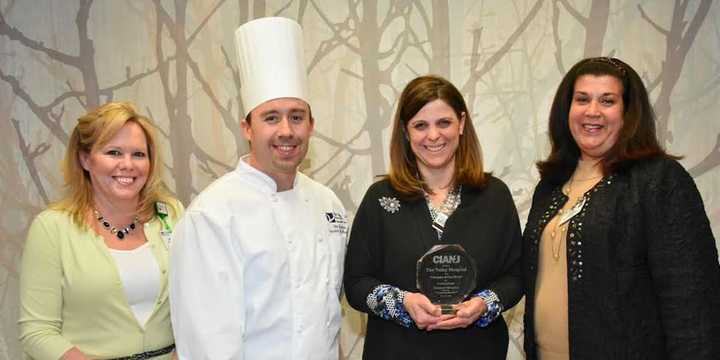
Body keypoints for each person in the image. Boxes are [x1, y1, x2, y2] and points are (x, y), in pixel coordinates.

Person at [169, 17, 348, 359]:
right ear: (247, 128)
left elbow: (327, 321)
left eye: (296, 117)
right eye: (271, 117)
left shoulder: (328, 203)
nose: (286, 130)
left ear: (311, 126)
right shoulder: (211, 216)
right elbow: (208, 344)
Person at [522, 56, 720, 360]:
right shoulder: (549, 186)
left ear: (628, 112)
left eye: (608, 100)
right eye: (582, 99)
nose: (593, 111)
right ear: (567, 110)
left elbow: (692, 301)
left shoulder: (658, 180)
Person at [344, 75, 523, 359]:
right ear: (405, 131)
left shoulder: (494, 196)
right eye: (420, 125)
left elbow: (516, 275)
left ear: (461, 123)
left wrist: (483, 304)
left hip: (477, 351)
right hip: (396, 351)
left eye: (444, 122)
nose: (433, 136)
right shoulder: (380, 198)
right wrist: (404, 302)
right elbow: (355, 284)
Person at [18, 101, 183, 360]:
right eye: (114, 152)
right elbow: (37, 331)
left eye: (138, 154)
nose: (128, 164)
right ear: (85, 159)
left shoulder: (172, 213)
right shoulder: (52, 228)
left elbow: (200, 300)